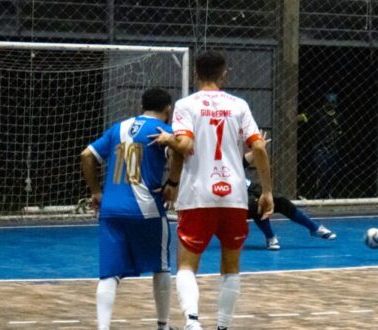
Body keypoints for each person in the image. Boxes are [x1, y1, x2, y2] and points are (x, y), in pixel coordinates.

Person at [150, 51, 274, 330]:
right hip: (234, 196)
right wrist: (266, 191)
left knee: (186, 264)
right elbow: (258, 147)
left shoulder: (186, 104)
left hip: (198, 195)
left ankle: (192, 322)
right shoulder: (239, 105)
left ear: (195, 74)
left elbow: (182, 148)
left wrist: (172, 177)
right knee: (231, 265)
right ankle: (223, 326)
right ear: (224, 74)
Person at [80, 88, 178, 330]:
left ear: (141, 105)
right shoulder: (162, 131)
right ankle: (163, 326)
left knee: (109, 273)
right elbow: (178, 152)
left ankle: (103, 327)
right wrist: (172, 184)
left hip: (111, 210)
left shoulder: (118, 128)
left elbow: (86, 155)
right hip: (146, 209)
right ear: (167, 109)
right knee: (161, 266)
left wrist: (95, 191)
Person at [243, 150, 336, 250]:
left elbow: (242, 162)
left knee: (281, 201)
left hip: (249, 187)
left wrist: (257, 149)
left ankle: (315, 229)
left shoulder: (230, 155)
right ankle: (270, 237)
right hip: (233, 194)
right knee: (256, 204)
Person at [297, 92, 342, 199]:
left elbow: (340, 131)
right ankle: (316, 194)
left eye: (333, 102)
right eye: (329, 102)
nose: (331, 104)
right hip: (320, 148)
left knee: (331, 172)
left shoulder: (337, 116)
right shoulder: (318, 113)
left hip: (332, 148)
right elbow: (303, 117)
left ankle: (327, 194)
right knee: (320, 171)